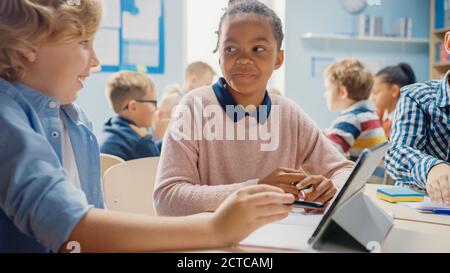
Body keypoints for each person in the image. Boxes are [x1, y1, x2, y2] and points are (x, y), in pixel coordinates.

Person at [0, 0, 295, 253]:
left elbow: (93, 234)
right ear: (29, 43)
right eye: (82, 42)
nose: (96, 61)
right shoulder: (6, 115)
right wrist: (215, 227)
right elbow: (70, 225)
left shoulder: (76, 122)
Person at [154, 0, 354, 217]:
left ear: (278, 59)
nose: (243, 60)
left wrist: (330, 191)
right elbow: (167, 198)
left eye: (258, 49)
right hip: (213, 242)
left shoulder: (288, 113)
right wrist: (256, 190)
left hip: (279, 235)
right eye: (231, 49)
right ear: (219, 55)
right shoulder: (193, 109)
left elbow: (344, 170)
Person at [385, 32, 450, 205]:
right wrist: (432, 168)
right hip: (419, 206)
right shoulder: (418, 96)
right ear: (449, 43)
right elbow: (397, 152)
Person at [99, 71, 161, 161]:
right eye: (153, 102)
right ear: (133, 106)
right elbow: (158, 170)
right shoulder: (142, 141)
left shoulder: (109, 129)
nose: (156, 108)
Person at [371, 63, 416, 139]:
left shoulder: (405, 121)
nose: (372, 98)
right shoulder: (377, 116)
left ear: (394, 90)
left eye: (375, 92)